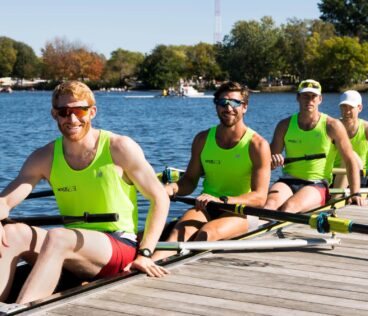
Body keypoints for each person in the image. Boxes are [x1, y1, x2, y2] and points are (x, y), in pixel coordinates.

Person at [0, 81, 170, 304]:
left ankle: (23, 310)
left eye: (79, 111)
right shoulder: (44, 157)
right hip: (72, 246)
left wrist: (146, 252)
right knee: (12, 234)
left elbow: (160, 199)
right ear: (54, 114)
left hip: (119, 245)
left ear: (92, 112)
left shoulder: (119, 147)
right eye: (64, 112)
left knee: (58, 235)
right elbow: (6, 200)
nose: (72, 119)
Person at [153, 81, 271, 261]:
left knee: (206, 234)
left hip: (241, 211)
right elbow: (190, 180)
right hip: (206, 206)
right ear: (216, 106)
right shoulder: (202, 139)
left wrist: (222, 200)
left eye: (235, 103)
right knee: (177, 235)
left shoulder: (258, 145)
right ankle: (145, 265)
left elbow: (260, 197)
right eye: (223, 103)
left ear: (245, 107)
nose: (228, 107)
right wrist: (172, 189)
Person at [264, 79, 365, 213]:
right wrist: (273, 160)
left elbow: (350, 160)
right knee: (268, 207)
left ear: (320, 99)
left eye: (313, 96)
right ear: (298, 98)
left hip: (316, 184)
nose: (309, 100)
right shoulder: (284, 125)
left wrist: (355, 193)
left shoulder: (332, 126)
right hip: (287, 181)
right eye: (305, 96)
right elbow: (267, 164)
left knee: (289, 208)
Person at [332, 90, 368, 188]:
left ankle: (335, 199)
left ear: (360, 108)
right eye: (344, 107)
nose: (347, 111)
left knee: (351, 156)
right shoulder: (331, 127)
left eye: (351, 107)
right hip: (334, 175)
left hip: (360, 176)